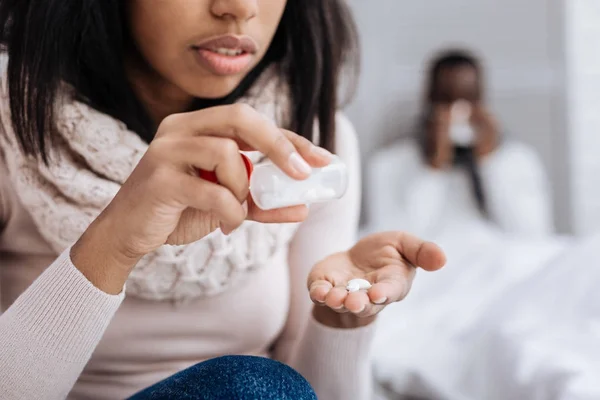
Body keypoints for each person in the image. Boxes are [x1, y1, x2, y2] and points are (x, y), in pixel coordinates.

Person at [0, 1, 446, 399]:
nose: (240, 8)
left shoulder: (310, 141)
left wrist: (345, 319)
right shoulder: (10, 128)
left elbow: (313, 393)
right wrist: (113, 243)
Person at [366, 49, 553, 239]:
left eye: (470, 98)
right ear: (428, 99)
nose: (459, 111)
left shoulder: (518, 159)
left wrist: (490, 161)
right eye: (446, 99)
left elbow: (533, 234)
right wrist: (434, 167)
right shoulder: (390, 162)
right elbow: (392, 238)